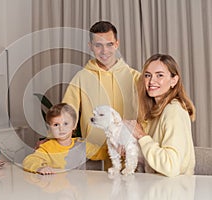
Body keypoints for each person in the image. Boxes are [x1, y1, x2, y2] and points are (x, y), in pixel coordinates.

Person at [62, 21, 140, 168]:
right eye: (98, 45)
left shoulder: (135, 77)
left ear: (117, 44)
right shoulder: (81, 78)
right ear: (90, 46)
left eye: (109, 44)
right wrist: (52, 139)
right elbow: (66, 113)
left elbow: (150, 112)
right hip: (93, 158)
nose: (104, 51)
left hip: (126, 156)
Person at [130, 53, 196, 177]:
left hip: (173, 192)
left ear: (174, 80)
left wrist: (141, 135)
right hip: (157, 188)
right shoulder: (157, 111)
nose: (151, 81)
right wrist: (133, 151)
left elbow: (171, 166)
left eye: (159, 75)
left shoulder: (174, 110)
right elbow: (156, 157)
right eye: (147, 75)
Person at [22, 103, 98, 175]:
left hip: (77, 187)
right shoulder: (47, 148)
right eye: (56, 125)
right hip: (55, 185)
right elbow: (29, 160)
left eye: (65, 123)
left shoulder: (81, 145)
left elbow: (101, 152)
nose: (61, 128)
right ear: (50, 128)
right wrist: (39, 168)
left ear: (74, 125)